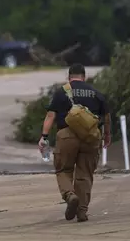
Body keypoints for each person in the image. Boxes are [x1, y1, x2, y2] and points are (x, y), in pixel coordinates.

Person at [38, 63, 111, 223]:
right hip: (90, 137)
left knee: (63, 169)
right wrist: (107, 136)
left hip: (66, 135)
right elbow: (106, 117)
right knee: (85, 174)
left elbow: (50, 116)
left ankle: (70, 195)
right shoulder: (96, 93)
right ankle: (82, 212)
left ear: (69, 76)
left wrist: (44, 137)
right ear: (84, 77)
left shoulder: (61, 92)